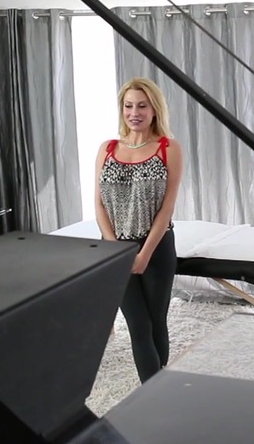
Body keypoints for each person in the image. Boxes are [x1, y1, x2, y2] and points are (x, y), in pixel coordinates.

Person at [95, 77, 183, 383]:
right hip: (115, 249)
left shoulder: (168, 148)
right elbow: (99, 205)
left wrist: (144, 254)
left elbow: (167, 208)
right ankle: (153, 395)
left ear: (154, 109)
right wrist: (116, 249)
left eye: (142, 106)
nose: (135, 113)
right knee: (138, 324)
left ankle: (159, 391)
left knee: (156, 321)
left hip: (156, 247)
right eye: (129, 106)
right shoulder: (107, 149)